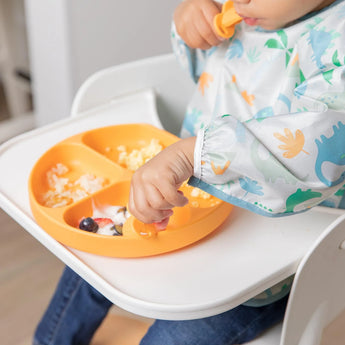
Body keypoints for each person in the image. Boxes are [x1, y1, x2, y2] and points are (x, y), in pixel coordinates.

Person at [33, 0, 345, 344]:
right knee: (88, 265)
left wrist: (194, 155)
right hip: (187, 198)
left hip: (266, 264)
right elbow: (214, 75)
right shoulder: (248, 8)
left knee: (173, 337)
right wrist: (190, 27)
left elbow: (319, 145)